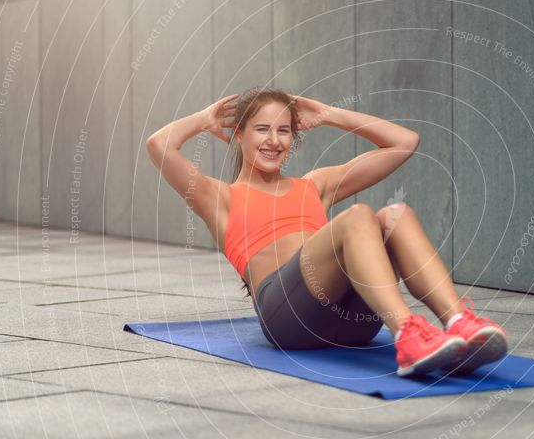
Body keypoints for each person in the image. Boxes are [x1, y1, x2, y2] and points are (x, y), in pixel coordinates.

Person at [145, 87, 508, 377]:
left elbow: (404, 142)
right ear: (238, 134)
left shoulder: (314, 186)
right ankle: (407, 331)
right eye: (261, 129)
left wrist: (330, 115)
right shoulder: (218, 197)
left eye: (284, 131)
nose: (274, 140)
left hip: (353, 323)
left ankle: (459, 321)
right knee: (357, 216)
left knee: (395, 215)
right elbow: (159, 145)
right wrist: (203, 119)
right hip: (288, 320)